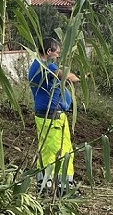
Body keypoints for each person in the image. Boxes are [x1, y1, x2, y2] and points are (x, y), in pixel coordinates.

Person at [29, 37, 80, 190]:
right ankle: (57, 185)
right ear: (48, 51)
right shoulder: (44, 66)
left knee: (57, 149)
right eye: (57, 52)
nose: (58, 56)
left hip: (51, 115)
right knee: (55, 150)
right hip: (51, 116)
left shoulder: (39, 65)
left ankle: (54, 183)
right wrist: (82, 78)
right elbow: (67, 77)